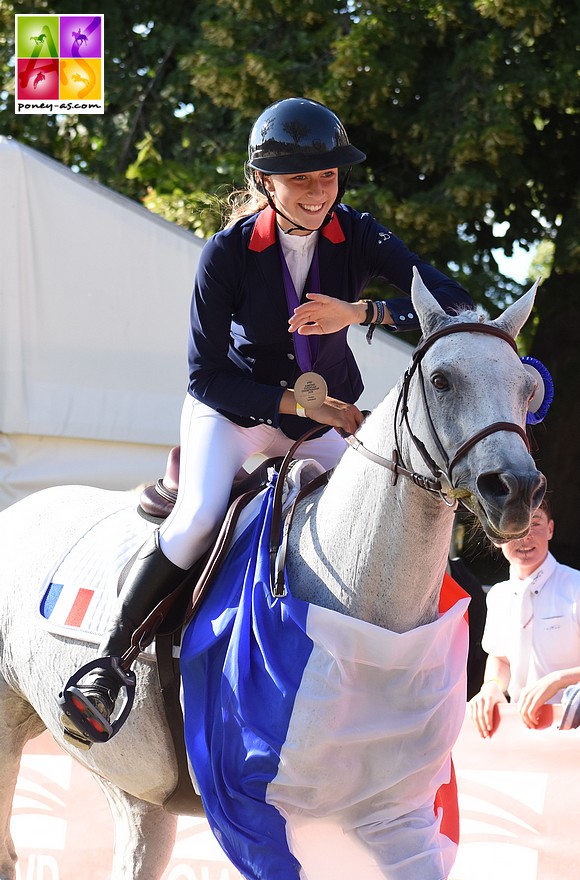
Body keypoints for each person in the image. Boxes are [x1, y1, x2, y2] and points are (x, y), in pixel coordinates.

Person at [59, 96, 473, 746]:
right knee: (197, 517)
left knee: (392, 508)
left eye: (328, 177)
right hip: (238, 411)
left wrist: (360, 314)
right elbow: (204, 375)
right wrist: (294, 406)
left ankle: (428, 666)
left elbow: (455, 299)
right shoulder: (227, 253)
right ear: (265, 181)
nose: (318, 192)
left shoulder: (359, 233)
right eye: (301, 179)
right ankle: (108, 665)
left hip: (324, 418)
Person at [469, 496, 580, 737]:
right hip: (519, 730)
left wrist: (558, 680)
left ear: (550, 529)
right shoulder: (498, 595)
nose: (524, 537)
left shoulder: (576, 587)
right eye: (514, 527)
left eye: (535, 524)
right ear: (497, 538)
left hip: (573, 727)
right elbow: (500, 658)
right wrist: (492, 687)